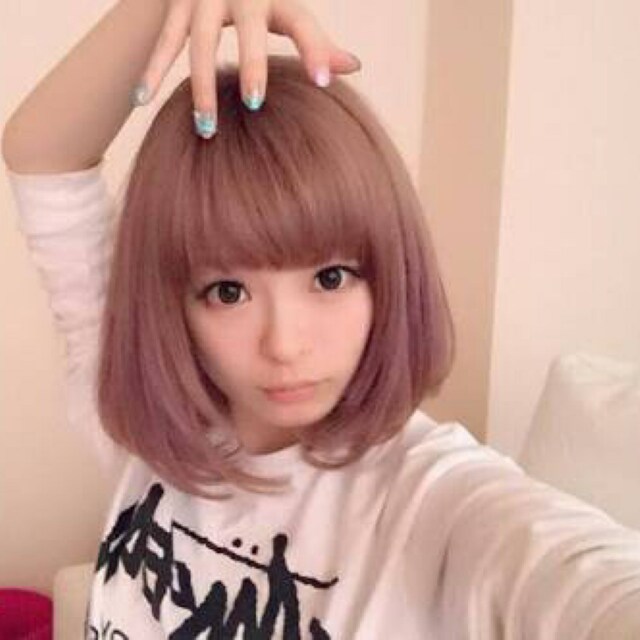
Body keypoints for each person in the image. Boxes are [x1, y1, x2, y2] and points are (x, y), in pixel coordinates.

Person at [4, 1, 640, 638]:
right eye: (228, 291)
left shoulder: (431, 500)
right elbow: (42, 157)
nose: (284, 344)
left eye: (330, 278)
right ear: (175, 304)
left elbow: (582, 577)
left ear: (389, 275)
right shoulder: (145, 417)